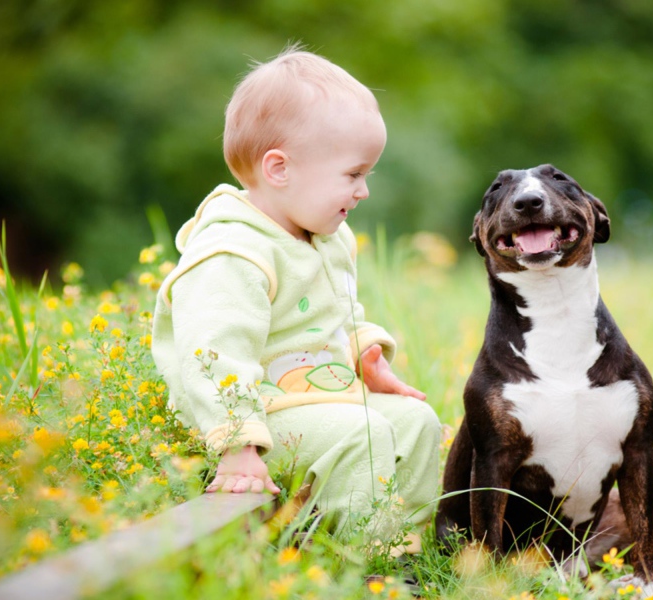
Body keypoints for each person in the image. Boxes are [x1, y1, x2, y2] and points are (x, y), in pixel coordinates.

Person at [151, 46, 440, 552]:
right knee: (362, 435)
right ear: (280, 169)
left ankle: (406, 550)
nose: (364, 191)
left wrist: (365, 353)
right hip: (258, 416)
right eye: (353, 174)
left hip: (320, 400)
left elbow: (341, 313)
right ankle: (359, 563)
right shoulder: (233, 251)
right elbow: (213, 355)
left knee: (416, 422)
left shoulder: (327, 239)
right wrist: (238, 445)